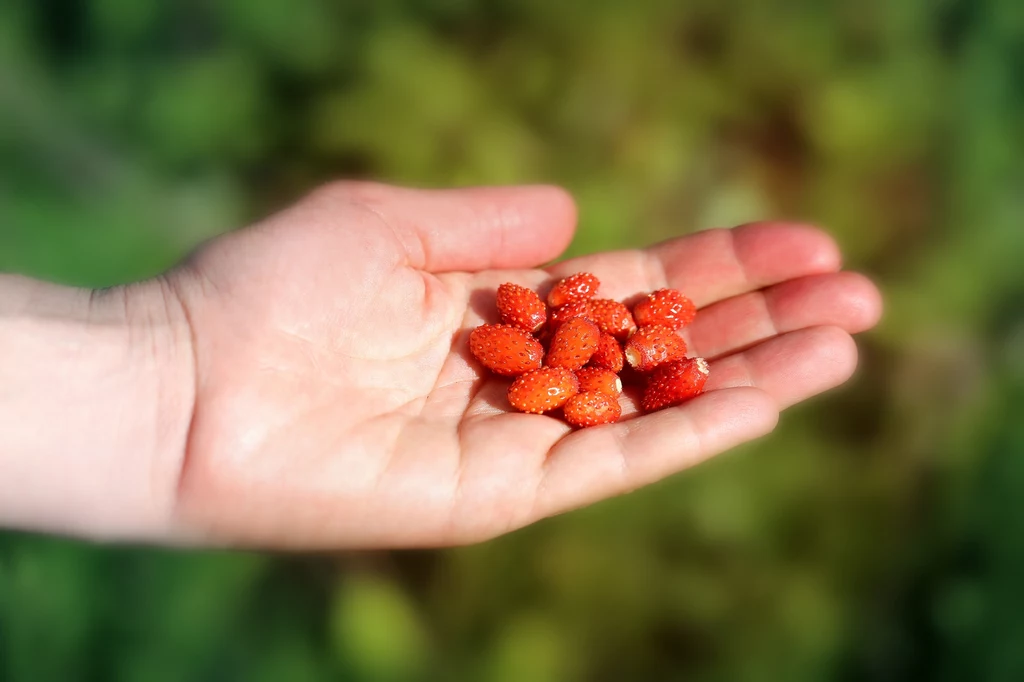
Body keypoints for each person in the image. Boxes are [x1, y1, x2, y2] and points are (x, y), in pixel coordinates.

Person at [0, 182, 882, 549]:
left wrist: (173, 376)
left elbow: (595, 354)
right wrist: (176, 374)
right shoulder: (550, 340)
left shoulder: (591, 345)